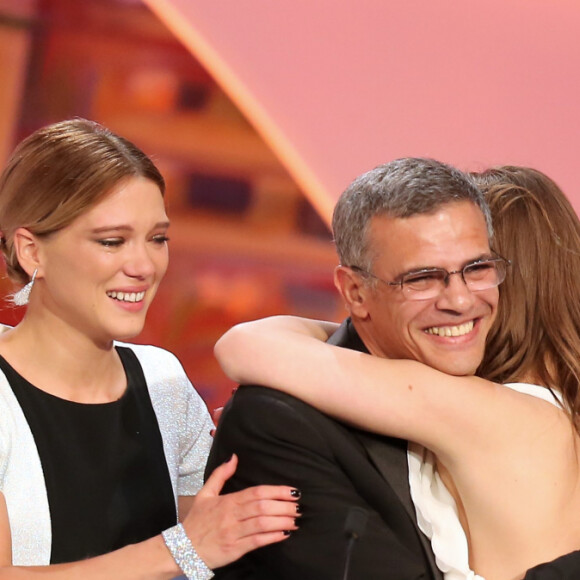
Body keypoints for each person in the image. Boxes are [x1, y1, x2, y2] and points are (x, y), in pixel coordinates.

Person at [212, 166, 580, 579]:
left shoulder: (490, 412)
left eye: (478, 268)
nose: (460, 300)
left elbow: (243, 344)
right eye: (423, 277)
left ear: (508, 278)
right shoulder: (547, 414)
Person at [0, 119, 300, 579]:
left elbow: (213, 539)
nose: (143, 266)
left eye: (157, 239)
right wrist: (180, 551)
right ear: (31, 252)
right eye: (111, 241)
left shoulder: (163, 380)